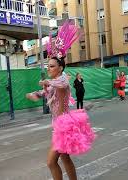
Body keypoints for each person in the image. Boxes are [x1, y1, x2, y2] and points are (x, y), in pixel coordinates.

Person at [26, 21, 95, 180]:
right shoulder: (54, 82)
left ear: (60, 68)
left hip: (64, 125)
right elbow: (48, 91)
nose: (48, 69)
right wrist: (35, 94)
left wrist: (46, 83)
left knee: (51, 162)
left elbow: (61, 84)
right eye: (48, 66)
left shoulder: (62, 80)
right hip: (57, 124)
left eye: (51, 66)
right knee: (65, 158)